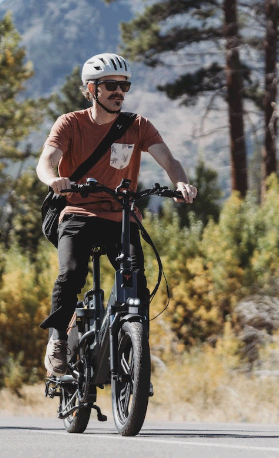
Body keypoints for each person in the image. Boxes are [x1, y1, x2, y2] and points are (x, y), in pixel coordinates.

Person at [36, 53, 197, 375]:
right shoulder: (71, 123)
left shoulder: (137, 126)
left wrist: (181, 183)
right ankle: (57, 339)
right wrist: (53, 179)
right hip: (78, 213)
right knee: (71, 274)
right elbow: (47, 159)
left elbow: (170, 160)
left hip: (121, 217)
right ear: (91, 90)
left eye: (124, 85)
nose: (119, 92)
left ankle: (136, 356)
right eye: (111, 85)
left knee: (136, 282)